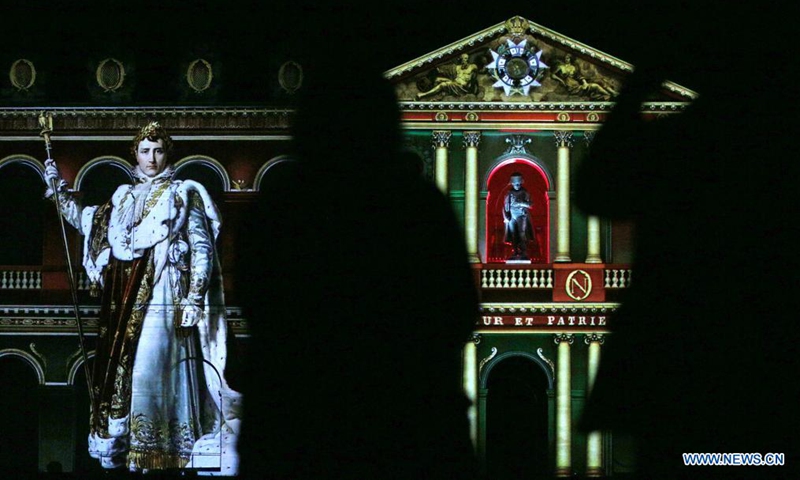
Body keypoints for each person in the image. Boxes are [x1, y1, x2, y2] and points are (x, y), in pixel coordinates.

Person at [236, 53, 479, 478]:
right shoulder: (419, 207)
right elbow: (459, 314)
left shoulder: (278, 207)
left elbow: (257, 306)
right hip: (410, 429)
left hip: (294, 428)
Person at [43, 122, 241, 475]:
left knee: (157, 372)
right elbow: (89, 224)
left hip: (165, 296)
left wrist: (194, 297)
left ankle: (168, 453)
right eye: (145, 151)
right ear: (134, 154)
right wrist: (57, 189)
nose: (152, 158)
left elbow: (201, 248)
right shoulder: (123, 197)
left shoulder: (183, 193)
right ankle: (141, 459)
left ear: (168, 154)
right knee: (133, 378)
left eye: (158, 150)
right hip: (126, 303)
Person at [503, 172, 534, 261]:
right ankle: (515, 251)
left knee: (522, 233)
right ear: (512, 183)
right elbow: (505, 206)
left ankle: (524, 251)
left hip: (521, 215)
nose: (517, 185)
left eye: (519, 184)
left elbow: (530, 205)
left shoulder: (525, 192)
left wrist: (520, 203)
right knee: (513, 234)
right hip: (512, 216)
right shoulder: (509, 193)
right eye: (515, 184)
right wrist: (506, 216)